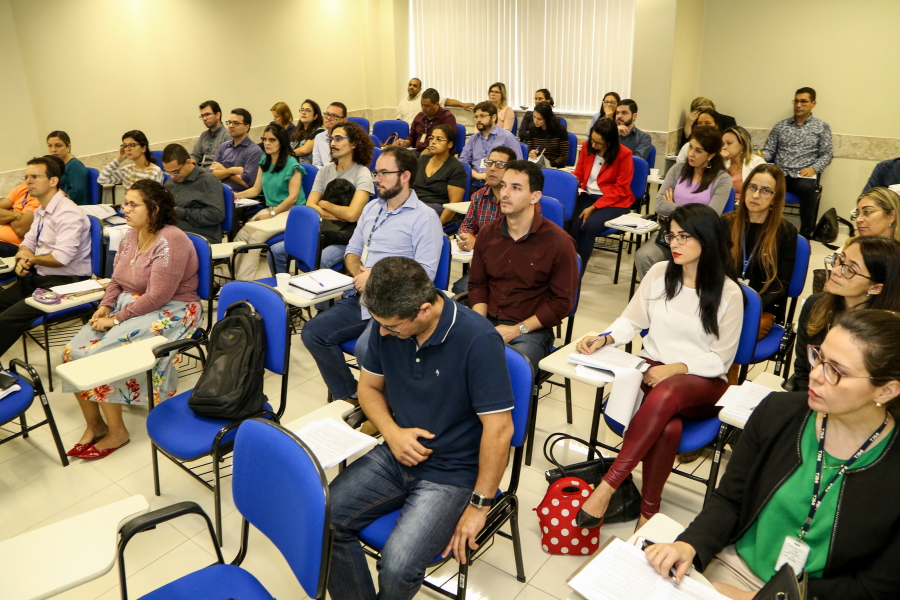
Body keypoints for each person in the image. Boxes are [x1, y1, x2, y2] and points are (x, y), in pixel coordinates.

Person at [648, 309, 900, 600]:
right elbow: (730, 500)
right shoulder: (778, 412)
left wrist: (759, 598)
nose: (815, 375)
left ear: (885, 391)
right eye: (819, 357)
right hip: (736, 564)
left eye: (836, 371)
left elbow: (874, 588)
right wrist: (689, 545)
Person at [327, 256, 514, 600]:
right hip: (396, 453)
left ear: (424, 310)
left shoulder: (478, 339)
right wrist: (392, 433)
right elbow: (368, 388)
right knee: (323, 519)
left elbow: (500, 429)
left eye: (393, 327)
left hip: (453, 473)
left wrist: (479, 506)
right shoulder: (387, 323)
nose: (383, 333)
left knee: (397, 568)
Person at [574, 203, 742, 528]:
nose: (674, 244)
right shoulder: (659, 273)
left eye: (683, 237)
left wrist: (675, 368)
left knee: (667, 392)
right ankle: (648, 514)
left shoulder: (729, 292)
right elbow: (631, 321)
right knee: (669, 428)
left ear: (707, 239)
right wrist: (605, 338)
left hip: (702, 382)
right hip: (651, 372)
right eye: (671, 236)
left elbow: (720, 358)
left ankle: (608, 486)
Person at [62, 180, 201, 460]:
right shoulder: (129, 235)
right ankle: (96, 425)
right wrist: (105, 306)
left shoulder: (171, 240)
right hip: (132, 304)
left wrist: (115, 320)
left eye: (133, 204)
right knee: (72, 352)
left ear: (154, 209)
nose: (124, 209)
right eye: (125, 203)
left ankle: (118, 432)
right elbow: (116, 279)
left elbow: (158, 296)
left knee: (100, 357)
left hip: (173, 309)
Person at [300, 147, 443, 404]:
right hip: (362, 295)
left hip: (397, 303)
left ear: (405, 176)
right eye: (376, 173)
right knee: (313, 333)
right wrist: (360, 275)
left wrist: (376, 279)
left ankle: (388, 406)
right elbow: (352, 251)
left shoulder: (424, 217)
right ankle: (352, 397)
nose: (377, 179)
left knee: (366, 349)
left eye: (384, 173)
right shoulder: (372, 208)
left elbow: (426, 273)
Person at [468, 160, 578, 368]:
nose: (505, 193)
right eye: (503, 186)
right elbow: (478, 285)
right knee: (452, 354)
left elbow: (561, 303)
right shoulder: (487, 234)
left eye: (516, 188)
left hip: (531, 329)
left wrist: (516, 330)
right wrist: (479, 324)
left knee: (508, 367)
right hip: (488, 319)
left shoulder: (559, 243)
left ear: (534, 197)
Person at [0, 157, 92, 357]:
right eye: (26, 177)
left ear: (53, 181)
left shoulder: (68, 213)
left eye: (35, 177)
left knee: (6, 320)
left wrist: (30, 259)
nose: (28, 182)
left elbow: (61, 258)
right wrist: (22, 257)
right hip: (42, 277)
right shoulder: (41, 210)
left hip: (67, 283)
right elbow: (28, 242)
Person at [791, 235, 900, 392]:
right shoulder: (815, 305)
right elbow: (802, 372)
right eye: (840, 261)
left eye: (850, 270)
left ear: (875, 288)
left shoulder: (890, 334)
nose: (836, 271)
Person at [269, 122, 374, 274]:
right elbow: (311, 205)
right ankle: (281, 287)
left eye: (338, 139)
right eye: (331, 139)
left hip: (347, 237)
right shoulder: (325, 171)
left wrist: (324, 204)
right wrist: (340, 214)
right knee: (275, 251)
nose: (332, 143)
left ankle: (314, 289)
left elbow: (352, 215)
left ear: (354, 144)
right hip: (323, 230)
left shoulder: (362, 173)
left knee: (321, 260)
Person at [634, 126, 733, 278]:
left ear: (711, 155)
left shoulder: (722, 179)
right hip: (669, 233)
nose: (691, 153)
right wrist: (698, 210)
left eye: (698, 151)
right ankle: (658, 292)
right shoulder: (677, 169)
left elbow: (710, 216)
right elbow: (659, 205)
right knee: (644, 256)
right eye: (690, 147)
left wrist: (674, 206)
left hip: (699, 238)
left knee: (689, 266)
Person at [725, 164, 797, 336]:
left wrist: (750, 305)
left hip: (761, 307)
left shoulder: (785, 232)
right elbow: (712, 270)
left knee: (738, 332)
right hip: (724, 302)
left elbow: (780, 285)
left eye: (765, 191)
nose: (756, 195)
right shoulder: (725, 223)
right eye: (752, 187)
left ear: (775, 197)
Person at [231, 124, 305, 281]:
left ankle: (243, 282)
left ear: (281, 142)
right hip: (272, 209)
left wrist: (272, 214)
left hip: (291, 211)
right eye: (265, 139)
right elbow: (256, 189)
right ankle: (230, 279)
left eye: (272, 140)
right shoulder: (265, 160)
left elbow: (292, 197)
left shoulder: (292, 164)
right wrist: (236, 195)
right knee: (241, 236)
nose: (267, 143)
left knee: (256, 239)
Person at [763, 87, 834, 238]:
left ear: (813, 103)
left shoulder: (821, 127)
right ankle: (763, 227)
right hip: (780, 173)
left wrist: (814, 168)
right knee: (760, 183)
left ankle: (805, 234)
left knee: (808, 188)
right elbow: (769, 150)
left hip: (802, 175)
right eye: (796, 101)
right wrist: (760, 156)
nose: (798, 105)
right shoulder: (780, 126)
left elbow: (827, 154)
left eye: (803, 102)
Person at [568, 118, 635, 272]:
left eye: (598, 143)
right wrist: (571, 183)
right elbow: (579, 173)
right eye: (592, 140)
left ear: (609, 142)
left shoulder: (624, 155)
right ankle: (565, 269)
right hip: (588, 195)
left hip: (615, 201)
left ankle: (576, 273)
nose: (593, 145)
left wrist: (593, 207)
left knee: (588, 227)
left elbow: (621, 189)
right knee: (569, 223)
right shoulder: (587, 147)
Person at [453, 146, 517, 293]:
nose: (492, 168)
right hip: (485, 266)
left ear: (511, 170)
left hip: (513, 268)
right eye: (489, 163)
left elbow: (515, 242)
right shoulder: (479, 196)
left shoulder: (519, 200)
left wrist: (478, 242)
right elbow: (466, 225)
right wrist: (466, 237)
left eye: (499, 165)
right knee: (460, 289)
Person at [161, 143, 226, 243]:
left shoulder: (208, 181)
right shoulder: (172, 182)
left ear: (188, 162)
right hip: (174, 231)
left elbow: (216, 215)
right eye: (168, 172)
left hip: (201, 235)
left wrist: (182, 212)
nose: (172, 176)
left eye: (175, 171)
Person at [413, 124, 467, 224]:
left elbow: (454, 204)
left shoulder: (456, 168)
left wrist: (437, 225)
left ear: (450, 144)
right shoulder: (422, 160)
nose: (433, 142)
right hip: (415, 205)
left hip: (436, 208)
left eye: (439, 139)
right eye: (432, 138)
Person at [459, 102, 523, 185]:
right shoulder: (474, 139)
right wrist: (478, 175)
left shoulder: (507, 137)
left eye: (482, 116)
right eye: (476, 117)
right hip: (475, 183)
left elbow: (518, 166)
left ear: (493, 117)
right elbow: (462, 163)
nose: (478, 120)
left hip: (499, 185)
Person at [210, 109, 263, 193]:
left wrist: (222, 169)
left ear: (246, 127)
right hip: (217, 192)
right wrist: (231, 170)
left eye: (236, 123)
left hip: (239, 195)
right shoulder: (223, 147)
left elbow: (246, 182)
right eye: (229, 122)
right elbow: (212, 175)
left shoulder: (254, 151)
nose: (231, 126)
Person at [97, 130, 164, 189]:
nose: (127, 149)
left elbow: (156, 197)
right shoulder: (127, 169)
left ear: (143, 148)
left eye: (132, 145)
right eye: (125, 146)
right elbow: (102, 180)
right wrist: (118, 160)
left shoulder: (155, 171)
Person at [397, 88, 457, 153]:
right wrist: (405, 142)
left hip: (438, 153)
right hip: (418, 151)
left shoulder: (447, 117)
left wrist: (429, 149)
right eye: (422, 105)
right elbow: (412, 137)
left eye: (427, 106)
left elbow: (446, 141)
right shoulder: (419, 117)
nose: (423, 108)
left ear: (436, 104)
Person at [721, 126, 765, 203]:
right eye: (722, 144)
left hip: (746, 205)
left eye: (729, 143)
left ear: (742, 145)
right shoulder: (722, 164)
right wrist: (718, 160)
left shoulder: (757, 163)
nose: (724, 147)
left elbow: (762, 192)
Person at [47, 131, 89, 205]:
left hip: (72, 207)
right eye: (50, 146)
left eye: (58, 146)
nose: (53, 150)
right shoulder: (56, 166)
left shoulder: (75, 165)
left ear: (68, 146)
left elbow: (77, 194)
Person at [0, 180, 39, 257]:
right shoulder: (23, 187)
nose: (28, 180)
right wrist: (16, 215)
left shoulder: (43, 197)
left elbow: (20, 230)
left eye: (35, 176)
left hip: (17, 246)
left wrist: (8, 213)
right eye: (27, 177)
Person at [525, 102, 570, 169]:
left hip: (555, 167)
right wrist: (531, 153)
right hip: (538, 166)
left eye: (539, 119)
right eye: (534, 117)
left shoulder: (560, 129)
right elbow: (530, 150)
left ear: (547, 119)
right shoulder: (532, 129)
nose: (535, 121)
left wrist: (550, 164)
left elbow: (564, 156)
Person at [191, 100, 230, 169]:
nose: (204, 118)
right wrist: (188, 164)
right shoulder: (204, 135)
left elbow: (227, 162)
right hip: (201, 171)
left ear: (218, 115)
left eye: (207, 114)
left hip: (216, 172)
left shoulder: (227, 135)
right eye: (202, 116)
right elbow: (195, 155)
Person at [312, 102, 348, 167]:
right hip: (324, 172)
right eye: (327, 114)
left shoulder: (348, 138)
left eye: (334, 116)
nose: (328, 118)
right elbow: (316, 165)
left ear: (344, 120)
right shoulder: (319, 137)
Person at [290, 99, 324, 164]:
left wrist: (285, 154)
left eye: (307, 110)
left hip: (307, 168)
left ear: (315, 116)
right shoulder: (297, 131)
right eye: (302, 110)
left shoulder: (319, 132)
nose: (303, 113)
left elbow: (304, 150)